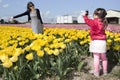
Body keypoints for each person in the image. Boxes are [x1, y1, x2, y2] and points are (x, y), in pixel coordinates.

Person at [83, 8, 108, 77]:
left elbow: (87, 21)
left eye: (94, 14)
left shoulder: (94, 22)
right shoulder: (104, 22)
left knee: (96, 57)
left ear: (96, 15)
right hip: (103, 42)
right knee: (104, 58)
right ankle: (105, 71)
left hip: (96, 42)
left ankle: (96, 72)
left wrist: (85, 15)